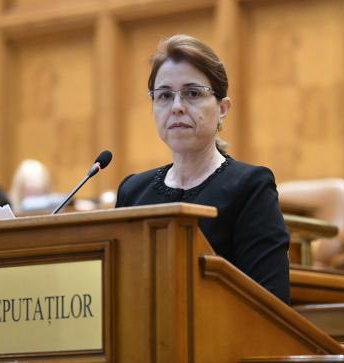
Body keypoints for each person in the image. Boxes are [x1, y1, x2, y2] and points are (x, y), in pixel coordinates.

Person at [115, 34, 291, 304]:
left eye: (193, 93)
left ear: (223, 108)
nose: (176, 107)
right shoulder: (133, 192)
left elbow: (271, 303)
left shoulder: (250, 187)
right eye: (164, 96)